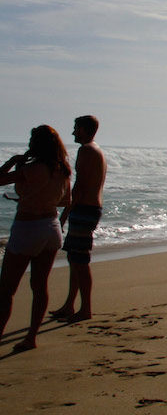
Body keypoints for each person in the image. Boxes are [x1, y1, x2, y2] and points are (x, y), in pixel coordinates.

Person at [0, 125, 72, 351]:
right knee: (39, 286)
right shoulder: (62, 170)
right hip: (51, 228)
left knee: (6, 290)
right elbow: (64, 202)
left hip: (27, 227)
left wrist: (12, 160)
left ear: (36, 145)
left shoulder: (33, 169)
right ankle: (31, 337)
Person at [49, 115, 106, 323]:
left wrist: (63, 215)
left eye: (76, 128)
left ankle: (85, 309)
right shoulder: (96, 149)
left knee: (80, 261)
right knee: (74, 259)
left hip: (84, 209)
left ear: (83, 129)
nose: (73, 132)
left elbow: (79, 187)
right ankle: (69, 305)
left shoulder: (87, 150)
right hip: (90, 208)